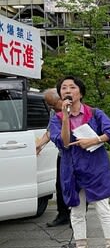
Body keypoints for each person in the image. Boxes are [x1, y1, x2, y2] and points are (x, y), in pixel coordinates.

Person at [49, 75, 110, 248]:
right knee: (76, 211)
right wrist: (65, 117)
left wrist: (95, 139)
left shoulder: (95, 114)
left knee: (103, 209)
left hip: (95, 169)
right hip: (71, 170)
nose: (67, 90)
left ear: (80, 93)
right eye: (63, 88)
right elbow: (63, 142)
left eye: (72, 87)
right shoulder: (56, 118)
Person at [36, 89, 71, 227]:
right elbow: (50, 131)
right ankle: (63, 215)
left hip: (76, 155)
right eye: (48, 104)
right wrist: (39, 146)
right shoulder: (54, 111)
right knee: (60, 185)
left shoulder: (74, 108)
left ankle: (78, 217)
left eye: (52, 104)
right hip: (62, 154)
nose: (50, 107)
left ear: (61, 99)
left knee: (77, 186)